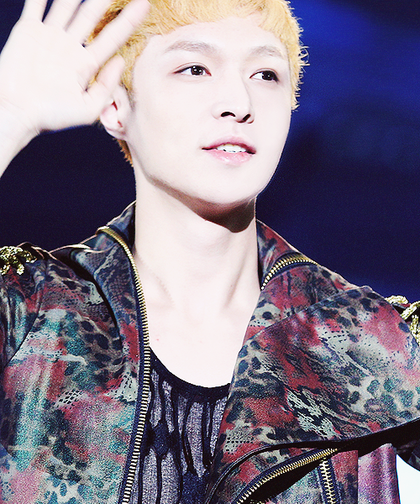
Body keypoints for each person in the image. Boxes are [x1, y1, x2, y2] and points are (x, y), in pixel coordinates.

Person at [0, 0, 419, 503]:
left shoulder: (374, 344)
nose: (239, 102)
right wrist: (8, 118)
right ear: (115, 105)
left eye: (266, 74)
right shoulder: (30, 316)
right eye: (195, 69)